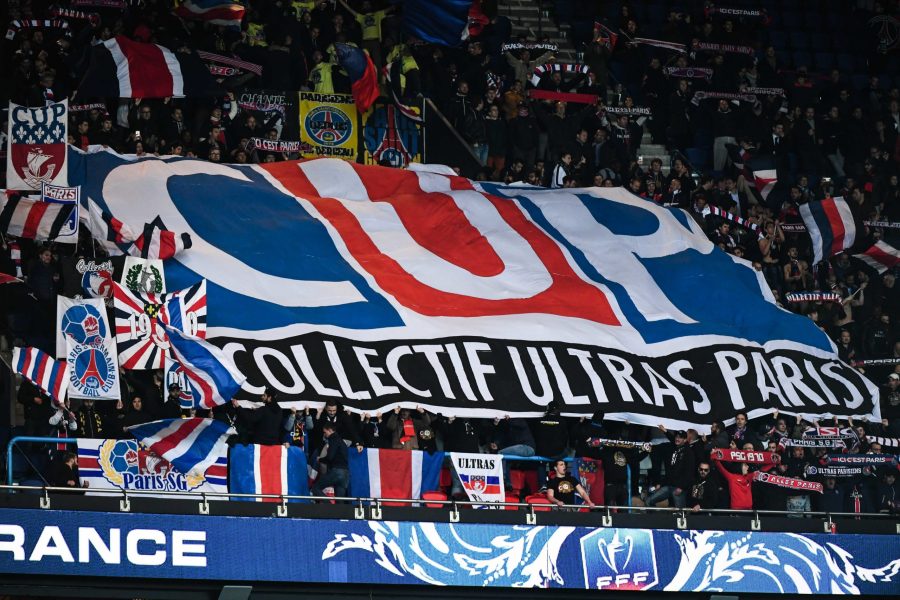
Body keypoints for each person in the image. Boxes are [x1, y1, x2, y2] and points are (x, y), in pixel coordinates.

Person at [645, 428, 695, 509]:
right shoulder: (674, 446)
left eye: (680, 438)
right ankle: (653, 519)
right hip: (668, 485)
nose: (677, 439)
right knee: (648, 502)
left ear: (685, 440)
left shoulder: (688, 452)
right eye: (676, 437)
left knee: (680, 512)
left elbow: (689, 472)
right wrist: (665, 431)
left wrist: (682, 487)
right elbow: (672, 438)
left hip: (678, 488)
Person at [312, 422, 350, 500]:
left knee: (315, 488)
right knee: (340, 501)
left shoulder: (333, 440)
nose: (324, 434)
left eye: (325, 432)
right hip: (345, 474)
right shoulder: (342, 442)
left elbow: (330, 457)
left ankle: (328, 505)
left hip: (336, 472)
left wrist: (320, 459)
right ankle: (340, 512)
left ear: (329, 430)